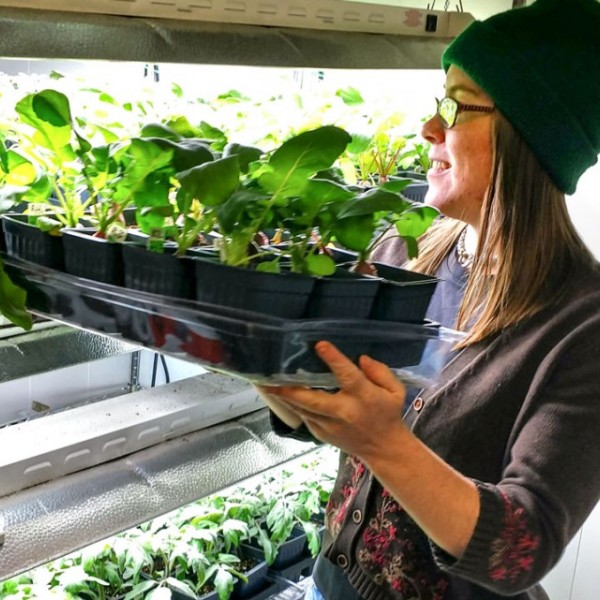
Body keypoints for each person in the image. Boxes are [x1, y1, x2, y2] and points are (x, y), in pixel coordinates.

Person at [257, 0, 600, 598]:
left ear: (528, 135)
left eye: (456, 107)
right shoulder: (407, 251)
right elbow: (330, 413)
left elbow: (525, 546)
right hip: (330, 585)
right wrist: (268, 370)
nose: (429, 129)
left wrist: (383, 443)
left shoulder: (581, 326)